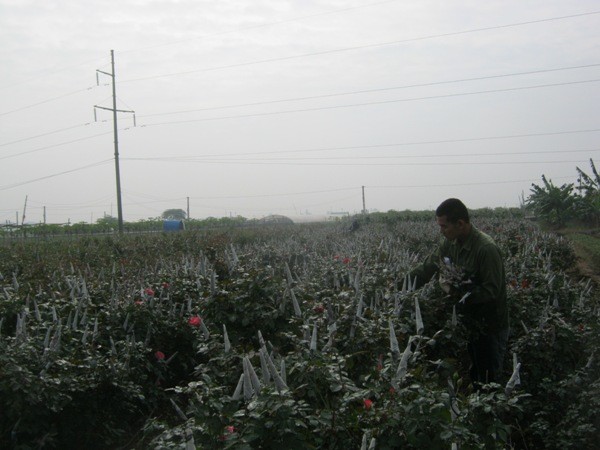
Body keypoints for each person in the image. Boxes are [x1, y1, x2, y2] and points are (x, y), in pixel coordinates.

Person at [407, 198, 509, 385]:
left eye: (444, 226)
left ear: (460, 224)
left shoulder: (486, 249)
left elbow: (492, 291)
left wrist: (459, 294)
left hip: (491, 324)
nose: (441, 231)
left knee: (490, 378)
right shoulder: (450, 244)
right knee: (476, 370)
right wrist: (400, 285)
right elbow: (429, 267)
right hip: (470, 321)